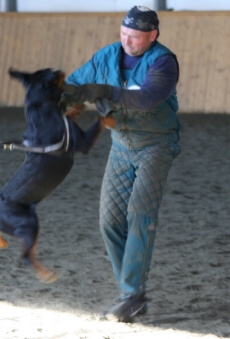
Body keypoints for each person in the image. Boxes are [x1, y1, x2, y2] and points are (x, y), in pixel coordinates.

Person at [63, 6, 181, 322]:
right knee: (110, 221)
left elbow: (147, 99)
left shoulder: (163, 62)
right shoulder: (107, 56)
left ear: (153, 35)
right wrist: (62, 104)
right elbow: (73, 86)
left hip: (155, 145)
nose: (127, 41)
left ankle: (131, 294)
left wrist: (105, 91)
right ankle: (132, 294)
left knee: (139, 215)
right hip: (121, 146)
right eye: (123, 33)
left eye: (136, 36)